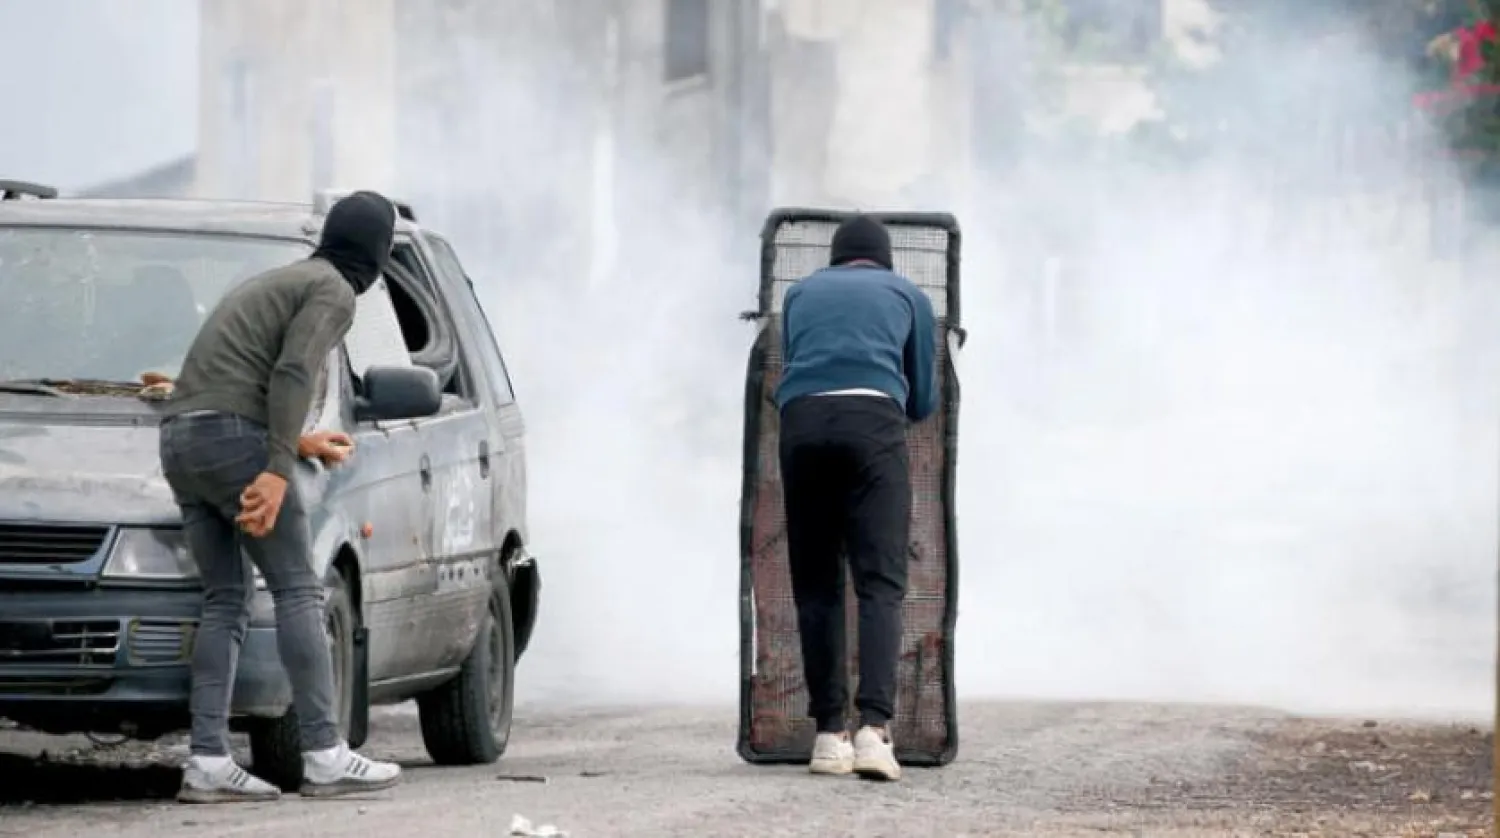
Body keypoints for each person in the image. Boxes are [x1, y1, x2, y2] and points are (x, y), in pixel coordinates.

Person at [159, 191, 403, 803]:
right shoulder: (333, 291)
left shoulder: (282, 278)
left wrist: (298, 440)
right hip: (234, 441)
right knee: (298, 589)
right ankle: (324, 754)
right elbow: (291, 372)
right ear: (375, 254)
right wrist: (273, 468)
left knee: (225, 599)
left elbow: (228, 383)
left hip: (183, 439)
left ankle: (207, 762)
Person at [774, 214, 938, 783]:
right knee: (880, 583)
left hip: (802, 427)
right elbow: (922, 398)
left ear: (836, 258)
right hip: (874, 426)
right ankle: (874, 730)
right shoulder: (907, 294)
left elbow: (791, 365)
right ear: (885, 259)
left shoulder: (799, 293)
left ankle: (827, 736)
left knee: (817, 584)